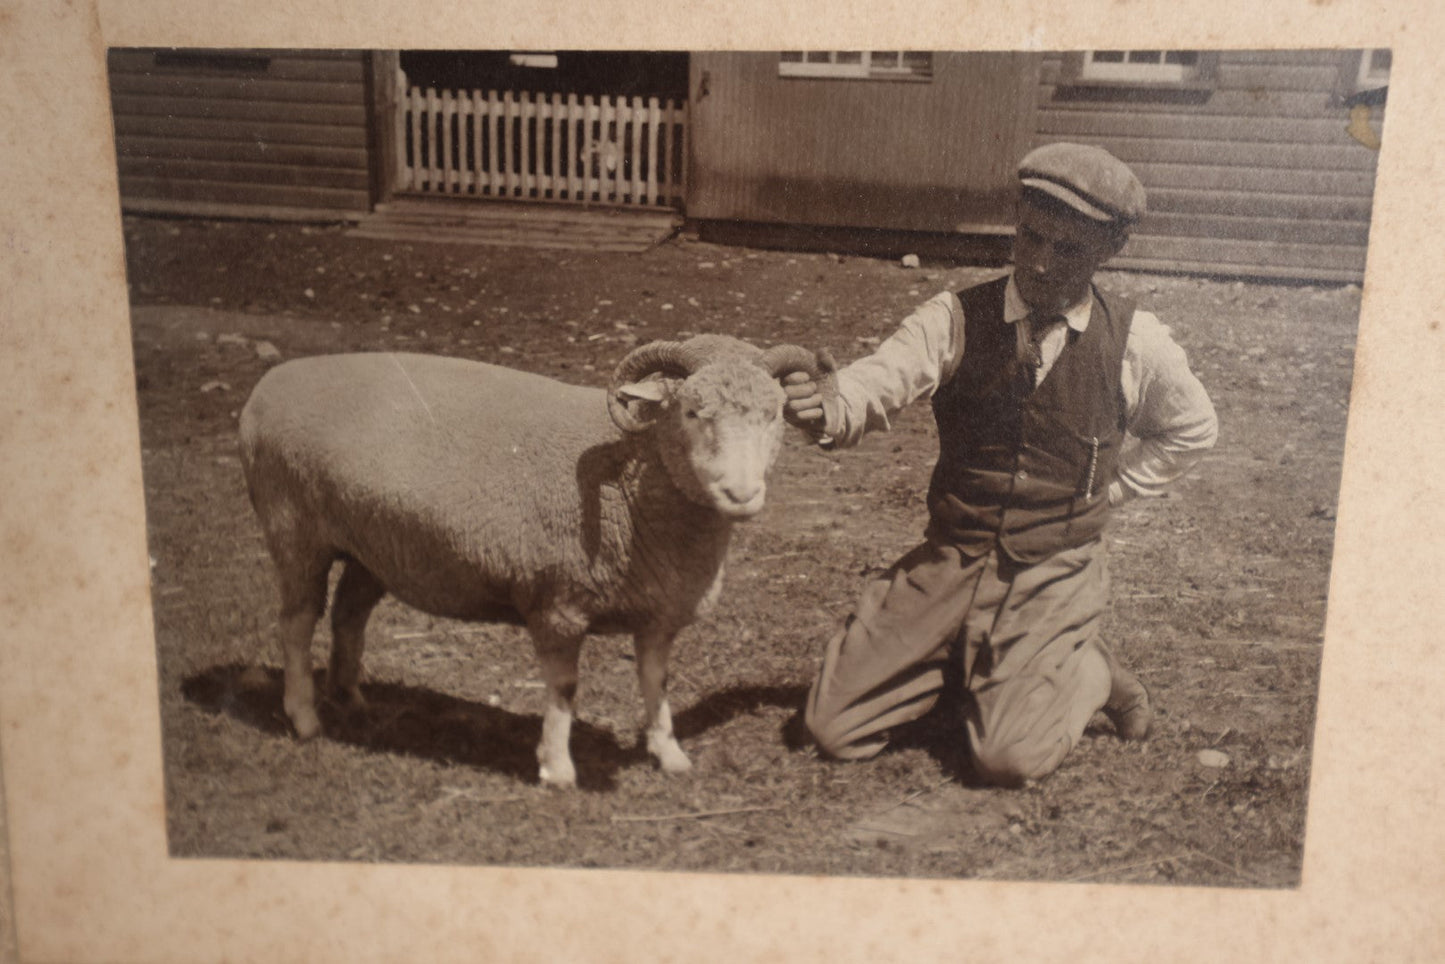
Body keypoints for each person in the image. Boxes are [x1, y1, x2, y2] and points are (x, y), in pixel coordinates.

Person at [782, 142, 1218, 787]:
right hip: (953, 554)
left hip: (1054, 565)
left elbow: (1193, 431)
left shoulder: (1136, 341)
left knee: (1006, 759)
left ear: (1110, 250)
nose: (1039, 264)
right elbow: (879, 381)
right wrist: (828, 405)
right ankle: (976, 663)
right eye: (1030, 237)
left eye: (1066, 250)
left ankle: (1092, 672)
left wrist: (1109, 493)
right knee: (831, 729)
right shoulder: (955, 319)